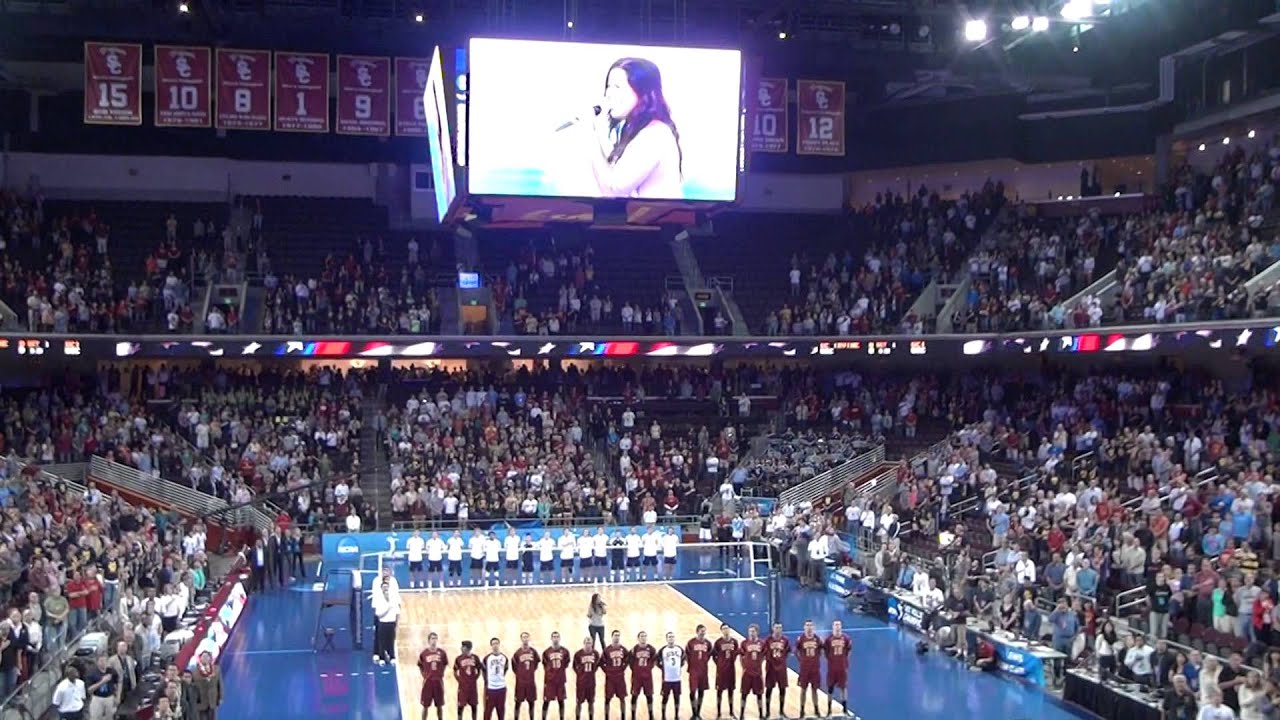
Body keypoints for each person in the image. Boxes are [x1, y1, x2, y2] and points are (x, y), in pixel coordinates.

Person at [569, 57, 683, 199]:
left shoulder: (654, 134)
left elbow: (613, 190)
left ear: (642, 93)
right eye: (608, 87)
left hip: (657, 220)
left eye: (617, 87)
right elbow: (611, 176)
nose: (609, 94)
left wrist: (590, 133)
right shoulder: (638, 132)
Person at [794, 621, 823, 718]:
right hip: (804, 669)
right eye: (807, 625)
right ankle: (802, 710)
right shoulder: (801, 639)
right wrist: (801, 661)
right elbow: (796, 651)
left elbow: (821, 650)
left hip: (815, 669)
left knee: (815, 690)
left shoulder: (817, 639)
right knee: (803, 690)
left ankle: (816, 709)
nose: (809, 627)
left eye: (811, 625)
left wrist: (817, 659)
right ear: (804, 627)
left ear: (813, 627)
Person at [371, 575, 401, 665]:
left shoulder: (393, 597)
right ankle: (381, 657)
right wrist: (387, 609)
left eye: (386, 587)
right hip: (382, 622)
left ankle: (392, 657)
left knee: (391, 640)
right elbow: (378, 613)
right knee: (381, 641)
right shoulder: (379, 599)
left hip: (391, 622)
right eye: (383, 587)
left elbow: (397, 611)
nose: (385, 589)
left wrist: (397, 623)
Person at [419, 632, 449, 720]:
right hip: (428, 682)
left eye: (435, 638)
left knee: (439, 705)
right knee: (425, 705)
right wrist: (424, 674)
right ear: (428, 640)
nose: (434, 640)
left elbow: (445, 664)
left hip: (438, 681)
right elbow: (420, 664)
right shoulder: (424, 653)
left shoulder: (442, 653)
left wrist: (441, 674)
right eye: (432, 638)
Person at [762, 623, 791, 718]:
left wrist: (782, 660)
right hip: (771, 667)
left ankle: (781, 711)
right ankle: (767, 711)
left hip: (781, 668)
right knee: (769, 689)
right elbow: (763, 652)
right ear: (773, 628)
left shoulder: (785, 640)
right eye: (776, 628)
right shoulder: (768, 640)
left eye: (780, 628)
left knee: (782, 689)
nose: (778, 629)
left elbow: (788, 652)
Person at [824, 620, 851, 717]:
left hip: (842, 668)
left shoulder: (846, 638)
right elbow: (825, 652)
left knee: (843, 688)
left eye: (839, 625)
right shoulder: (828, 639)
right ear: (833, 627)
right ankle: (829, 710)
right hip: (832, 668)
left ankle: (845, 710)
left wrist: (844, 662)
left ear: (841, 627)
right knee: (830, 689)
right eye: (836, 625)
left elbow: (849, 650)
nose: (837, 626)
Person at [738, 625, 765, 720]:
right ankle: (741, 714)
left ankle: (761, 714)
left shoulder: (762, 643)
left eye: (753, 631)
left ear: (757, 632)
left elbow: (764, 655)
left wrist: (759, 663)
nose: (751, 633)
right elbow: (741, 656)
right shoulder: (744, 643)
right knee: (744, 694)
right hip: (747, 673)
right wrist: (743, 667)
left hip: (757, 673)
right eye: (750, 631)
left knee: (759, 695)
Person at [712, 623, 738, 719]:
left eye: (727, 628)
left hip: (731, 670)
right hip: (721, 671)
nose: (726, 630)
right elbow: (714, 655)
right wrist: (719, 664)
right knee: (720, 691)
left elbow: (736, 654)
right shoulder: (718, 642)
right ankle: (719, 713)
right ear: (721, 630)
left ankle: (731, 712)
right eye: (724, 629)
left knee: (731, 691)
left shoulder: (734, 642)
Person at [685, 625, 712, 720]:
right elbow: (687, 655)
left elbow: (709, 654)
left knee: (701, 691)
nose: (703, 632)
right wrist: (691, 666)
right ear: (697, 631)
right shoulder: (691, 642)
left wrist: (703, 663)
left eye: (704, 631)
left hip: (703, 671)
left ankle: (698, 713)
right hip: (693, 671)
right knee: (692, 691)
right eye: (701, 631)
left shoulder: (708, 643)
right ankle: (694, 712)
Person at [542, 632, 571, 720]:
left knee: (561, 701)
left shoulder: (565, 651)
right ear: (551, 638)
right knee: (546, 701)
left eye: (557, 637)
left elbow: (566, 663)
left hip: (560, 680)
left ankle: (562, 718)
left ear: (560, 638)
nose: (555, 638)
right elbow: (545, 665)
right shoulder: (546, 652)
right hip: (550, 681)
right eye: (554, 637)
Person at [602, 631, 630, 720]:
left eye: (618, 635)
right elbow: (601, 662)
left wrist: (623, 668)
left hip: (620, 678)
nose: (616, 637)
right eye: (615, 635)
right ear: (612, 637)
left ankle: (623, 716)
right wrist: (606, 671)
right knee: (607, 699)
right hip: (610, 678)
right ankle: (606, 717)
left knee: (622, 698)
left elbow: (628, 660)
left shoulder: (623, 649)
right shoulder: (607, 650)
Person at [630, 632, 657, 720]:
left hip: (647, 677)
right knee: (634, 696)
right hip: (637, 677)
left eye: (645, 636)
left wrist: (648, 668)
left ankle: (651, 715)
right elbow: (630, 662)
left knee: (649, 696)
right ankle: (633, 716)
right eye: (642, 636)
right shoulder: (634, 649)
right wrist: (636, 669)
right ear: (638, 638)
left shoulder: (651, 649)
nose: (643, 638)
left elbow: (654, 660)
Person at [84, 653, 120, 720]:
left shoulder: (112, 671)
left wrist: (117, 696)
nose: (103, 663)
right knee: (96, 717)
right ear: (97, 662)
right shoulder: (92, 673)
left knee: (110, 717)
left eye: (105, 661)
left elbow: (116, 684)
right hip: (97, 698)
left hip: (109, 697)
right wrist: (102, 682)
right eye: (101, 661)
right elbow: (89, 690)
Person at [513, 633, 540, 720]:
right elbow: (514, 666)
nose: (525, 639)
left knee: (531, 703)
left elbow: (536, 663)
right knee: (518, 703)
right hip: (520, 683)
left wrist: (530, 671)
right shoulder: (517, 653)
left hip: (530, 682)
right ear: (521, 639)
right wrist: (520, 674)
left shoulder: (533, 652)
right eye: (523, 637)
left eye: (527, 637)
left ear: (529, 639)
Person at [573, 637, 601, 720]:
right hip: (581, 682)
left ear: (592, 644)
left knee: (591, 702)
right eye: (587, 642)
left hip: (591, 682)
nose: (588, 644)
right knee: (579, 703)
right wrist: (580, 674)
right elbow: (574, 666)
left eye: (590, 643)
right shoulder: (578, 654)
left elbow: (597, 665)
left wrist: (591, 673)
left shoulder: (596, 653)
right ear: (584, 643)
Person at [659, 632, 685, 720]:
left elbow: (683, 660)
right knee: (665, 698)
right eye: (669, 637)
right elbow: (657, 661)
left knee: (677, 698)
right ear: (666, 639)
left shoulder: (680, 649)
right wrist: (663, 668)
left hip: (677, 679)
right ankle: (663, 715)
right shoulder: (663, 650)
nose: (671, 638)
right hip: (667, 679)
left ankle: (676, 715)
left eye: (672, 637)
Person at [191, 651, 222, 720]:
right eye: (203, 656)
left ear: (210, 658)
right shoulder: (194, 671)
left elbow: (219, 684)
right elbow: (192, 687)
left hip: (212, 700)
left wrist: (220, 697)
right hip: (200, 701)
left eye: (207, 656)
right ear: (200, 658)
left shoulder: (216, 669)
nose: (205, 658)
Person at [456, 641, 482, 720]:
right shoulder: (458, 658)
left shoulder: (475, 658)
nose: (461, 648)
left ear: (467, 648)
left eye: (463, 646)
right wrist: (459, 679)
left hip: (472, 687)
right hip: (463, 687)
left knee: (474, 706)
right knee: (460, 707)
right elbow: (454, 670)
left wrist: (474, 679)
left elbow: (479, 669)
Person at [484, 638, 510, 720]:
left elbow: (505, 669)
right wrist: (487, 682)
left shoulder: (504, 658)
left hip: (501, 688)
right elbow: (484, 671)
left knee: (501, 711)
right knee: (488, 712)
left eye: (496, 643)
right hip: (491, 689)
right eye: (493, 644)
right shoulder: (487, 658)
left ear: (499, 644)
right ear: (491, 646)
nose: (495, 645)